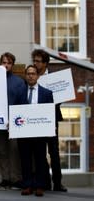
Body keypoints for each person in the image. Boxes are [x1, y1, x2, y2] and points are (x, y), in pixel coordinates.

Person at [31, 49, 67, 192]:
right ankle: (44, 181)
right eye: (34, 60)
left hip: (51, 119)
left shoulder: (54, 78)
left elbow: (61, 97)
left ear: (45, 63)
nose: (35, 63)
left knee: (54, 151)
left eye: (38, 61)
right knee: (39, 152)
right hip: (36, 120)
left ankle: (57, 183)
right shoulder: (32, 76)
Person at [16, 65, 53, 197]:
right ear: (25, 76)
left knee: (40, 160)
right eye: (28, 74)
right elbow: (14, 110)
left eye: (33, 73)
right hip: (23, 132)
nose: (31, 76)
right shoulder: (19, 92)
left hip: (40, 133)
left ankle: (39, 186)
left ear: (37, 76)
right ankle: (27, 185)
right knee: (25, 159)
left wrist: (50, 126)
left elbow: (50, 113)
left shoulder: (47, 93)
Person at [0, 52, 25, 189]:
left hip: (14, 122)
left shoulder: (19, 81)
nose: (6, 65)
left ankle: (16, 179)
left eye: (9, 63)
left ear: (12, 65)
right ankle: (5, 178)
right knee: (1, 151)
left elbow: (22, 102)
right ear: (0, 63)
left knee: (14, 150)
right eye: (4, 62)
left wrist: (16, 120)